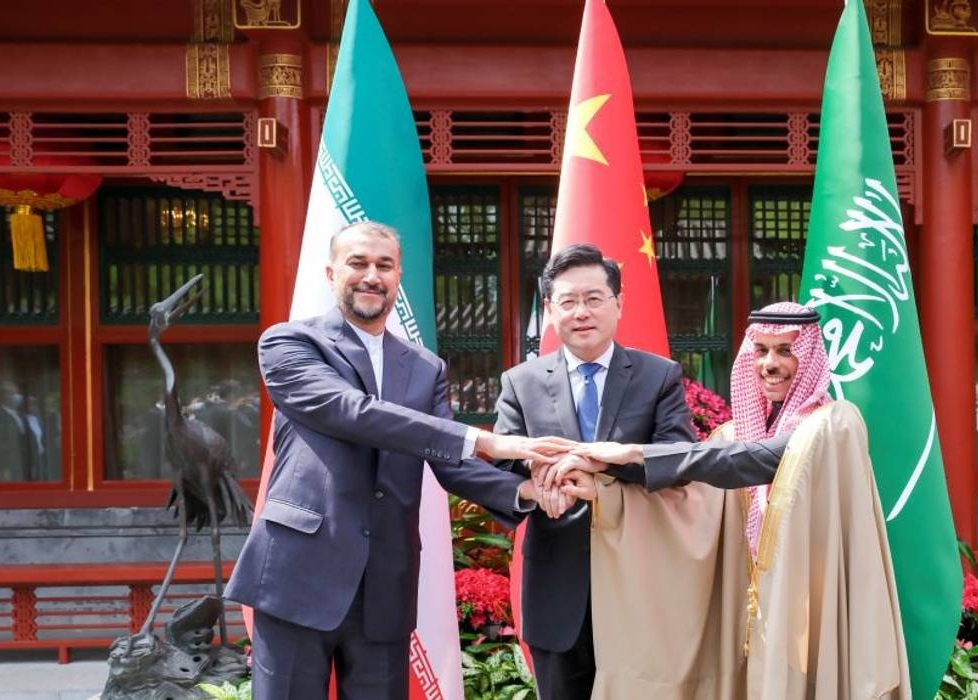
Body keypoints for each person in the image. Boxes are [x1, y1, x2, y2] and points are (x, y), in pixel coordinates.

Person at [224, 221, 574, 699]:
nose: (372, 275)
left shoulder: (426, 368)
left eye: (384, 265)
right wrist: (487, 440)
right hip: (298, 571)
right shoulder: (290, 343)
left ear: (398, 278)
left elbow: (449, 463)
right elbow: (353, 413)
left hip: (385, 579)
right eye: (358, 263)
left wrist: (525, 490)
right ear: (330, 273)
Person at [566, 302, 911, 699]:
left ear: (811, 356)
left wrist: (632, 453)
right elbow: (692, 505)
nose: (769, 363)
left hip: (813, 607)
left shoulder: (835, 424)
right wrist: (606, 494)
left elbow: (755, 461)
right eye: (760, 350)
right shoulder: (734, 434)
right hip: (751, 614)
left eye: (784, 351)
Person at [491, 243, 696, 700]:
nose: (581, 312)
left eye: (594, 299)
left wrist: (602, 467)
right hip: (557, 586)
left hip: (638, 578)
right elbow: (502, 468)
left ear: (618, 304)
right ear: (549, 311)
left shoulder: (657, 376)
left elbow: (678, 459)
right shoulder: (520, 383)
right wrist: (533, 483)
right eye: (567, 302)